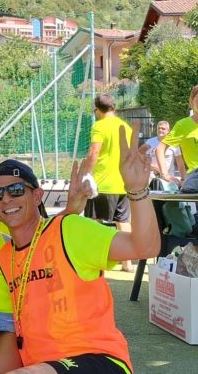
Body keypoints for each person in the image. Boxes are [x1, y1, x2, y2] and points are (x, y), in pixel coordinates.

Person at [0, 125, 158, 374]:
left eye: (16, 190)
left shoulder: (69, 229)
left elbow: (145, 247)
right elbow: (39, 244)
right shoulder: (5, 255)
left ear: (37, 196)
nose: (6, 199)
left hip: (96, 359)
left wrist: (137, 190)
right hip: (44, 364)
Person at [82, 94, 134, 272]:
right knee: (123, 222)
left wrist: (87, 174)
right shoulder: (125, 127)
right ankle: (127, 263)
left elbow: (94, 151)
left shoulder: (99, 126)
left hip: (102, 183)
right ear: (114, 108)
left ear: (97, 110)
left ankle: (97, 262)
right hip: (122, 183)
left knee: (93, 223)